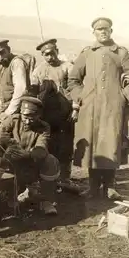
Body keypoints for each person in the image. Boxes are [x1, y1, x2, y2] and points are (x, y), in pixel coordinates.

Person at [68, 17, 129, 199]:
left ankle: (110, 187)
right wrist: (81, 96)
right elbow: (73, 80)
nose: (103, 31)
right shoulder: (87, 53)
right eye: (99, 29)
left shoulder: (120, 53)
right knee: (92, 146)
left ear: (111, 31)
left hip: (113, 108)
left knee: (110, 144)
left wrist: (124, 96)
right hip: (90, 109)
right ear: (93, 32)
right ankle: (93, 187)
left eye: (106, 29)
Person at [0, 96, 60, 215]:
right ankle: (11, 196)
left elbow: (41, 147)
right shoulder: (12, 120)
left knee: (51, 161)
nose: (27, 121)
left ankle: (45, 200)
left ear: (39, 116)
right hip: (9, 164)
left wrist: (27, 155)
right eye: (25, 117)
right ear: (20, 113)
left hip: (30, 164)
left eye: (32, 118)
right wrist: (2, 141)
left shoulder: (44, 127)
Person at [30, 38, 80, 193]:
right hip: (47, 115)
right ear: (42, 55)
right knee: (49, 146)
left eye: (52, 53)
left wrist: (75, 108)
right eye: (46, 54)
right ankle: (49, 178)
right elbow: (33, 93)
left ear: (57, 52)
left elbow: (75, 87)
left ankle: (65, 179)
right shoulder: (38, 71)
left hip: (65, 114)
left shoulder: (68, 67)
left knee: (65, 147)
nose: (49, 57)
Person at [0, 40, 28, 121]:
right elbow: (0, 91)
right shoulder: (1, 67)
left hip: (19, 108)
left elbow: (20, 89)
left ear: (8, 50)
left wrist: (8, 112)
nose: (0, 57)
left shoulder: (16, 62)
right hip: (6, 107)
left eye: (2, 52)